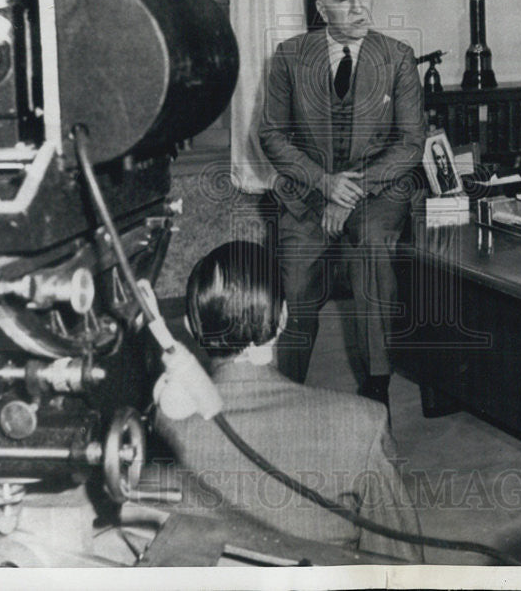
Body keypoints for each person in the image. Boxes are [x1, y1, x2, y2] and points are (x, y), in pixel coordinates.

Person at [154, 241, 424, 562]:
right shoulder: (360, 423)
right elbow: (402, 567)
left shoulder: (158, 435)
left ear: (190, 327)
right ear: (283, 317)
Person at [259, 0, 425, 405]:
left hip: (377, 192)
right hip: (309, 194)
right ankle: (285, 392)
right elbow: (271, 135)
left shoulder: (397, 58)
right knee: (295, 287)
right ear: (321, 7)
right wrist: (325, 184)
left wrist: (351, 192)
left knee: (372, 251)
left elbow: (411, 143)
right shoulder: (290, 58)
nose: (359, 8)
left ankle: (377, 386)